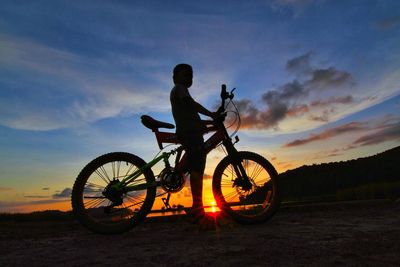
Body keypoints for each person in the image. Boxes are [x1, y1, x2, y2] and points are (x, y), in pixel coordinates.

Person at [170, 63, 217, 223]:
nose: (187, 78)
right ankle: (198, 211)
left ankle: (196, 209)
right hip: (189, 132)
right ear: (175, 78)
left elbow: (191, 114)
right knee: (197, 169)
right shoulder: (180, 89)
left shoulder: (180, 91)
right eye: (184, 75)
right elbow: (192, 104)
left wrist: (209, 121)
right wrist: (211, 114)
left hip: (190, 129)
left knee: (195, 163)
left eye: (190, 75)